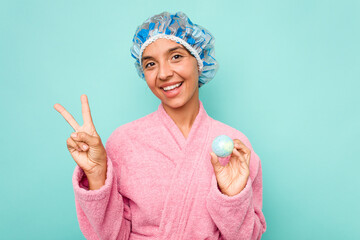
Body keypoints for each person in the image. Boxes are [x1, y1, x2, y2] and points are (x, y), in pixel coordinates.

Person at [54, 11, 266, 240]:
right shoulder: (123, 141)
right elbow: (111, 236)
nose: (164, 73)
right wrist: (96, 175)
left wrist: (233, 199)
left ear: (199, 60)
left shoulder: (235, 146)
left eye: (175, 57)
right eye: (151, 64)